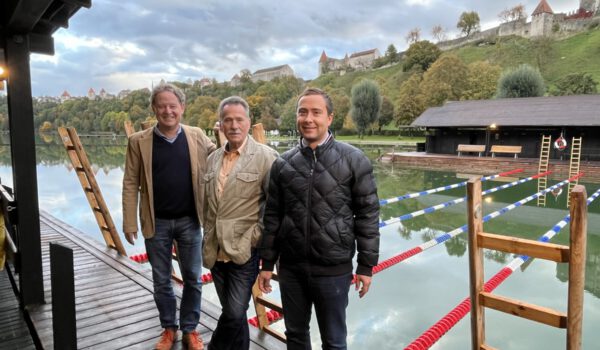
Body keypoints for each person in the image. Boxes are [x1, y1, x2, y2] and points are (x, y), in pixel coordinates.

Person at [258, 87, 380, 349]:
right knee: (296, 335)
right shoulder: (283, 164)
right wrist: (267, 263)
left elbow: (368, 215)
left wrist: (366, 266)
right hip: (291, 268)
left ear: (330, 118)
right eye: (303, 112)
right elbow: (272, 216)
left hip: (333, 269)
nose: (308, 118)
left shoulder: (354, 160)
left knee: (334, 341)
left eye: (316, 112)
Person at [122, 83, 216, 350]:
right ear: (154, 109)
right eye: (162, 106)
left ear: (182, 108)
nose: (167, 111)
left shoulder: (196, 135)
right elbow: (130, 182)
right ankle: (168, 329)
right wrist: (129, 221)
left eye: (173, 105)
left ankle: (190, 329)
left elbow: (220, 158)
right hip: (157, 221)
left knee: (194, 278)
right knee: (161, 280)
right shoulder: (138, 141)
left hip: (190, 220)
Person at [202, 96, 278, 349]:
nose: (233, 125)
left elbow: (274, 208)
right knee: (233, 316)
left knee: (234, 313)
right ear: (220, 124)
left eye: (239, 120)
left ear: (248, 122)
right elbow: (207, 204)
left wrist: (254, 238)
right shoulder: (212, 159)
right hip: (216, 250)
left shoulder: (267, 157)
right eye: (227, 120)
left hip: (244, 249)